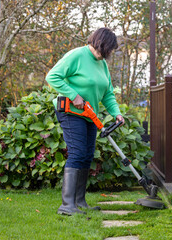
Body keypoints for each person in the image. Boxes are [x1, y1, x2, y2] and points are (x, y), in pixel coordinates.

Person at [45, 27, 124, 215]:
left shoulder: (102, 63)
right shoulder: (77, 55)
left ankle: (79, 201)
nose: (110, 53)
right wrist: (73, 95)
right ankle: (66, 205)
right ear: (102, 44)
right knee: (78, 153)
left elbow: (108, 93)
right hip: (71, 112)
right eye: (110, 49)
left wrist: (117, 113)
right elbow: (52, 77)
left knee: (87, 155)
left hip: (89, 115)